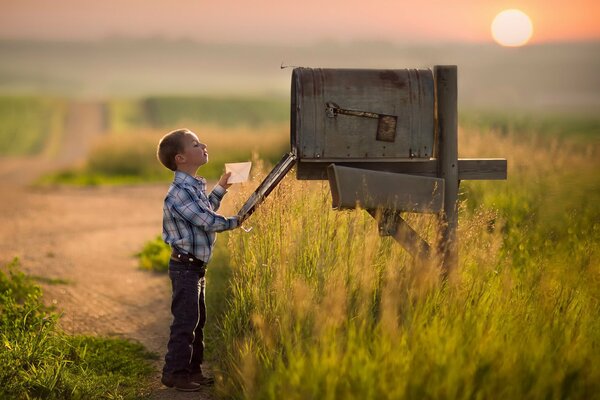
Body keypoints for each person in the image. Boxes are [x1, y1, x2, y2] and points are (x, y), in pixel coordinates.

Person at [156, 128, 240, 392]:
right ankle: (174, 373)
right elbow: (207, 221)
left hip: (195, 267)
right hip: (184, 268)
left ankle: (193, 370)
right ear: (180, 158)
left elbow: (205, 210)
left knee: (197, 320)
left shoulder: (192, 187)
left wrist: (221, 189)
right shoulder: (179, 193)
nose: (203, 145)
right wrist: (238, 220)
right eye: (195, 144)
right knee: (185, 321)